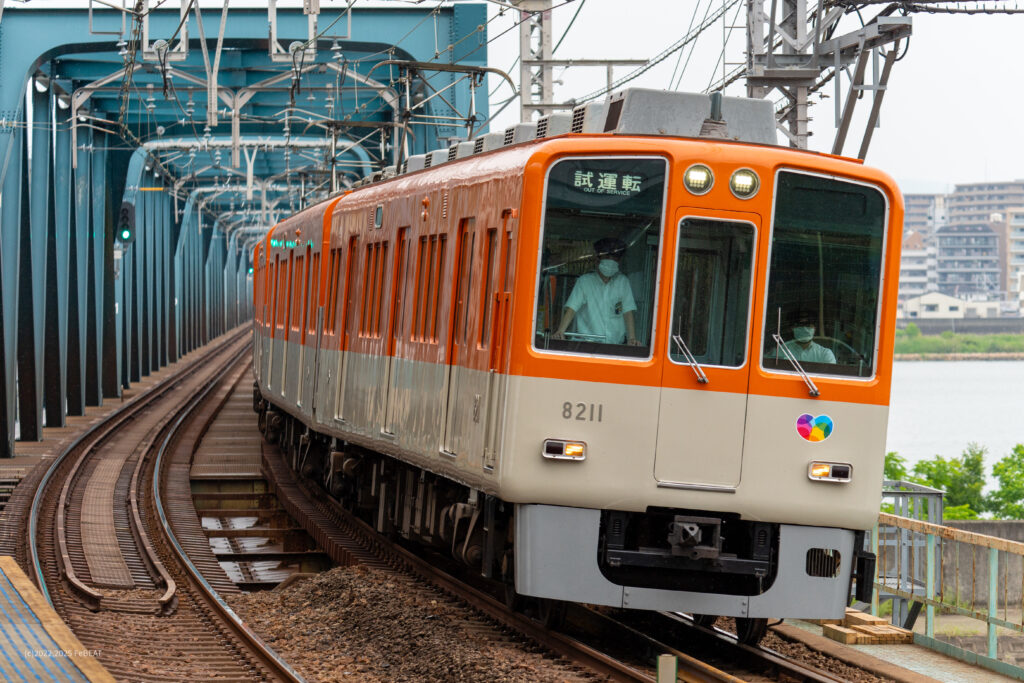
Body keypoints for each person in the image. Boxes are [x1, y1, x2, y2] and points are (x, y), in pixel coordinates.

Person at [553, 237, 640, 345]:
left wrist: (632, 338)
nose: (611, 262)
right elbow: (572, 308)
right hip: (587, 345)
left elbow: (628, 311)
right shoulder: (584, 282)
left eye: (615, 259)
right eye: (607, 257)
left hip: (616, 346)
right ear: (597, 259)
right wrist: (561, 331)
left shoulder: (623, 282)